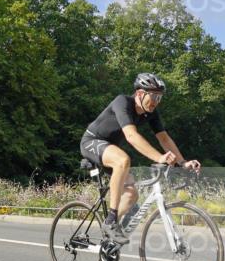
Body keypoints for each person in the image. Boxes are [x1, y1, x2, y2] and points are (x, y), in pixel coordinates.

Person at [80, 73, 201, 245]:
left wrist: (182, 162)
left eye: (159, 97)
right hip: (92, 142)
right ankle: (111, 222)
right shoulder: (122, 102)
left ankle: (108, 236)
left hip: (110, 149)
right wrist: (159, 157)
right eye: (153, 96)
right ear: (139, 94)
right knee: (123, 160)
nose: (156, 101)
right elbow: (131, 135)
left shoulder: (150, 113)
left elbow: (164, 139)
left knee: (132, 194)